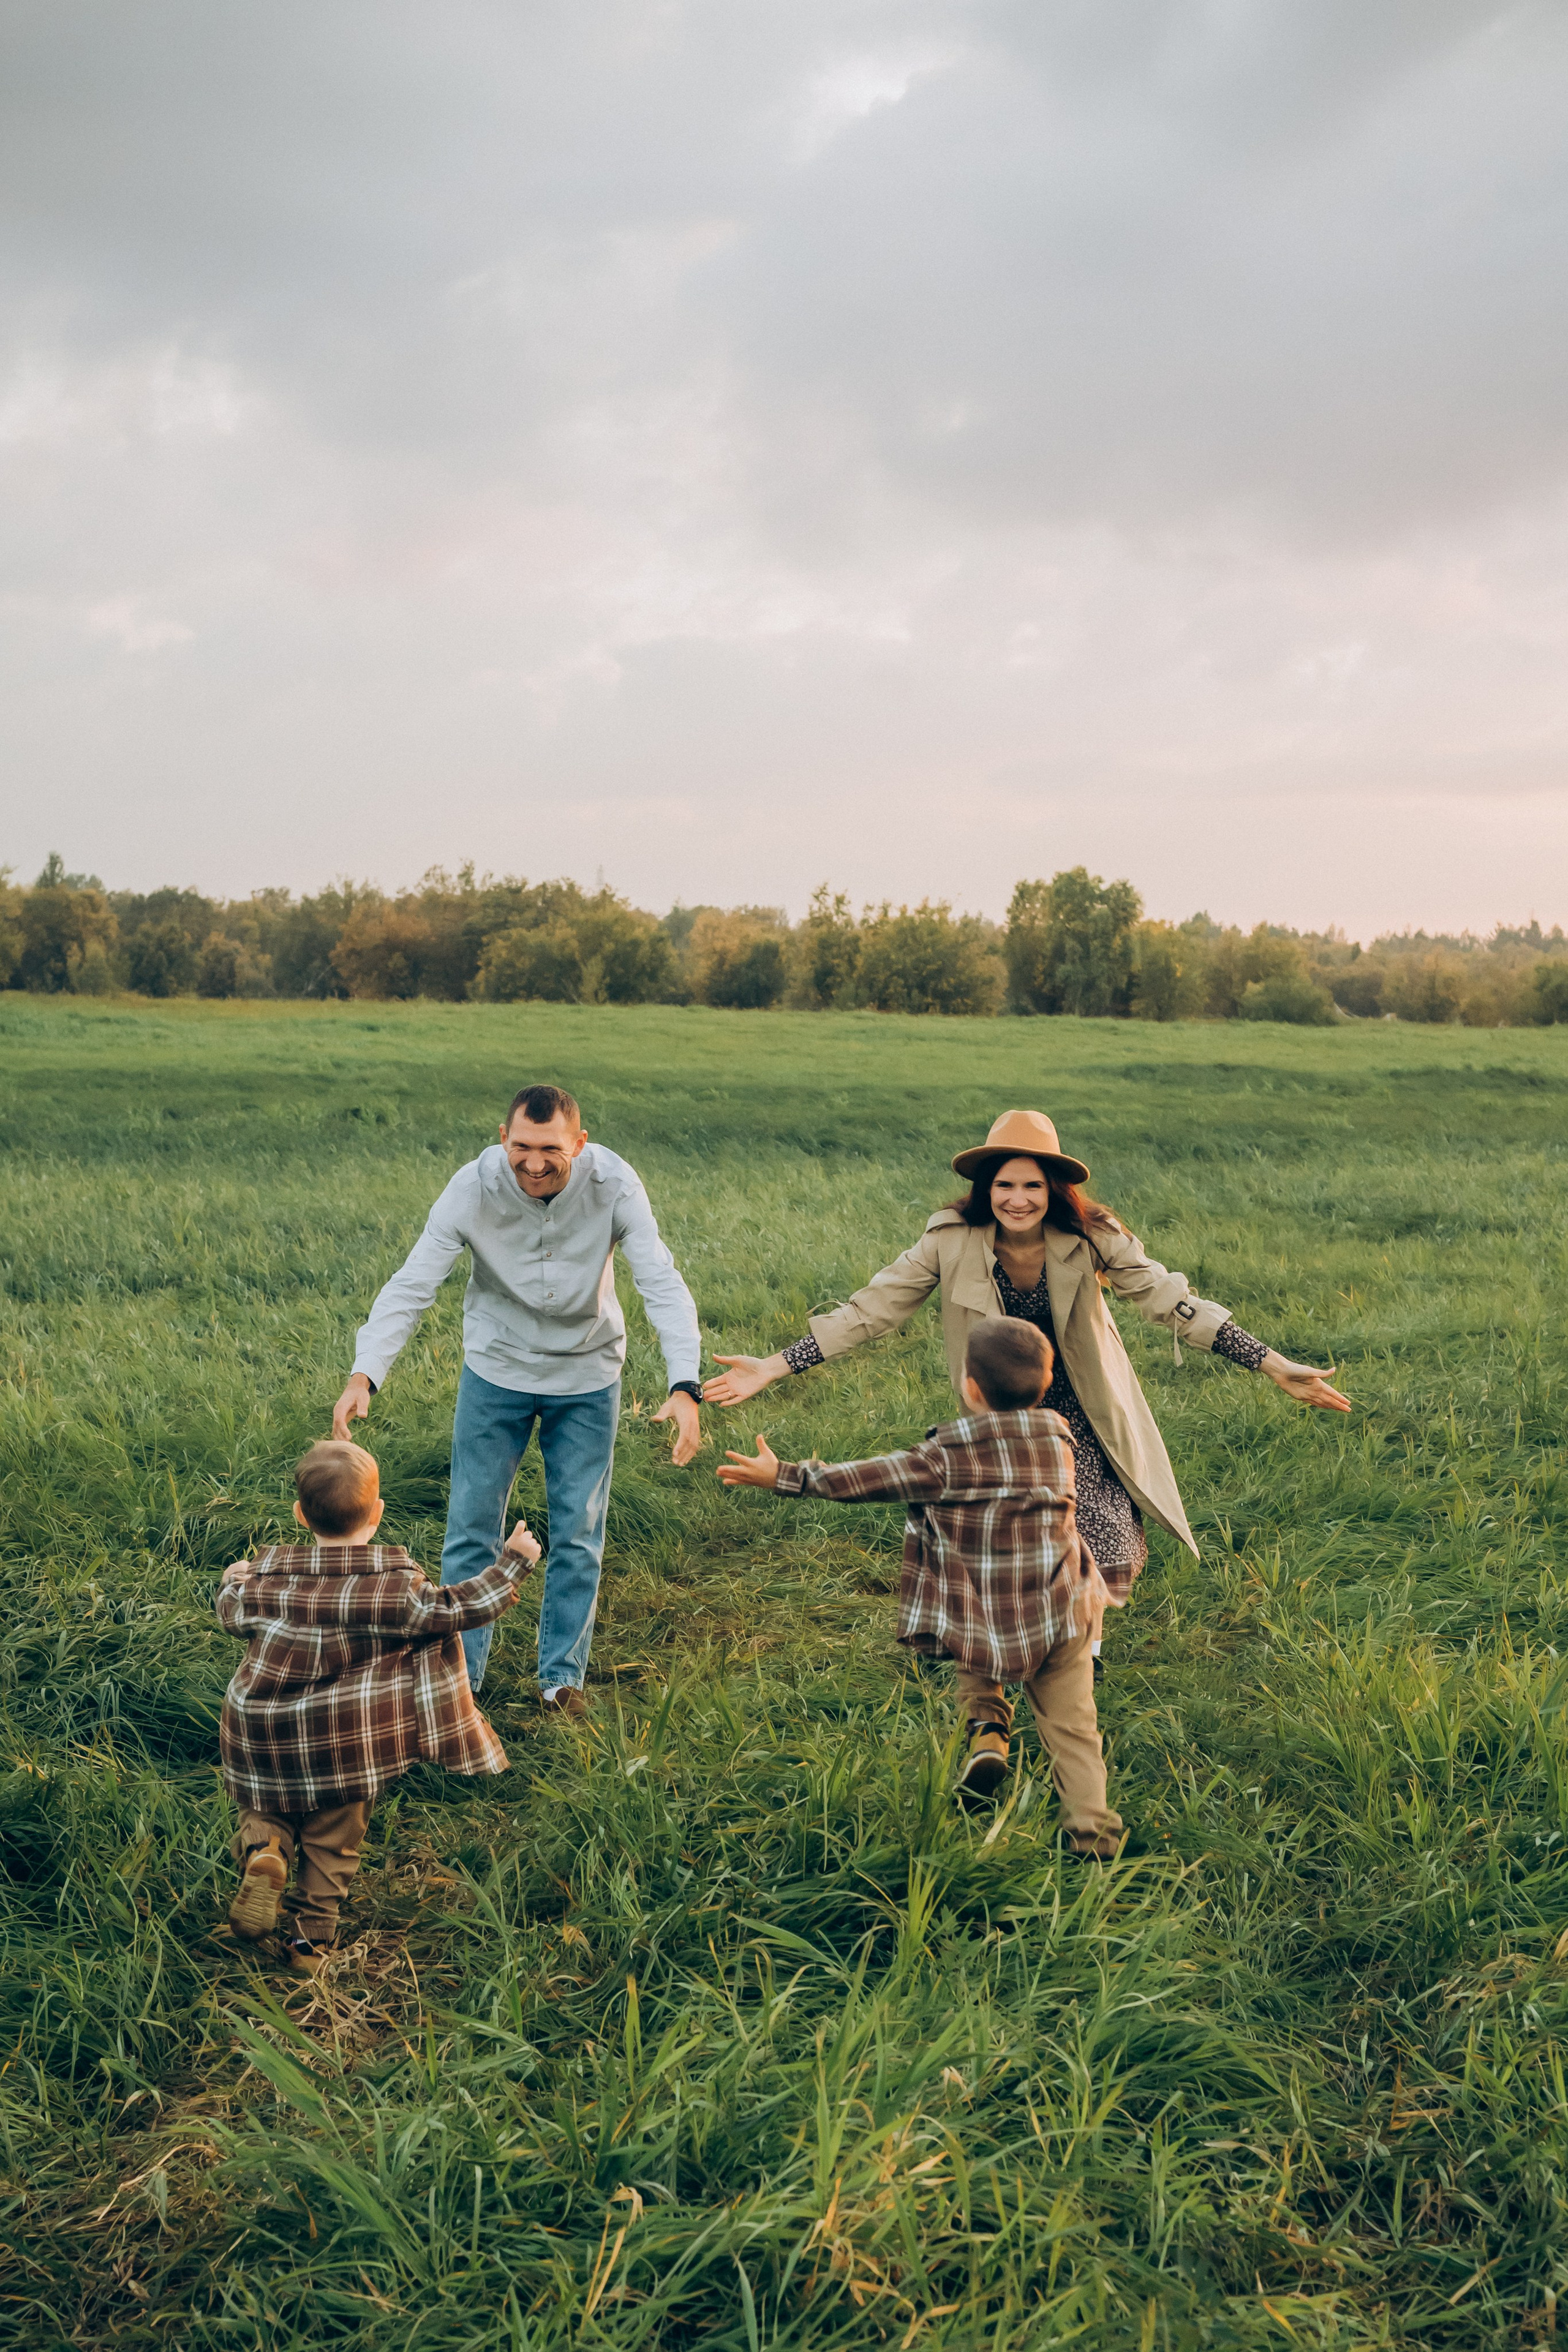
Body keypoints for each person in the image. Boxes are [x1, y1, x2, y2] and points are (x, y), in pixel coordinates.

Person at [705, 1108, 1349, 1667]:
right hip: (1006, 1412)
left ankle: (1078, 1664)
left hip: (1085, 1409)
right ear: (986, 1188)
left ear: (1053, 1190)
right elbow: (869, 1312)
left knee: (1101, 1536)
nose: (1018, 1199)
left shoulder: (1093, 1238)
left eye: (1032, 1186)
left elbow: (1170, 1301)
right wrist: (775, 1364)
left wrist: (1269, 1363)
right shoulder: (947, 1242)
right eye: (1005, 1185)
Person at [332, 1082, 703, 1715]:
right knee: (471, 1526)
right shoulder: (471, 1188)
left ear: (579, 1145)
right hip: (496, 1369)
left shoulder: (615, 1186)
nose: (534, 1163)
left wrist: (684, 1384)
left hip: (588, 1375)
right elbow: (414, 1282)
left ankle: (561, 1679)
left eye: (550, 1149)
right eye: (522, 1147)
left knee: (579, 1528)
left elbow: (660, 1281)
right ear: (503, 1138)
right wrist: (365, 1373)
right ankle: (460, 1678)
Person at [720, 1318, 1118, 1842]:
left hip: (983, 1610)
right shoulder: (1058, 1441)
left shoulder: (947, 1458)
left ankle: (988, 1734)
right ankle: (1093, 1837)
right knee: (1073, 1730)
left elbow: (869, 1478)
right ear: (1045, 1386)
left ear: (969, 1386)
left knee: (976, 1659)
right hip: (1066, 1606)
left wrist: (784, 1475)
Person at [219, 1438, 540, 1975]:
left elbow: (229, 1613)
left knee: (263, 1805)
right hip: (347, 1745)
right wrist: (514, 1563)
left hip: (262, 1732)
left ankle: (266, 1852)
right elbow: (461, 1607)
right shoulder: (397, 1591)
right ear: (379, 1512)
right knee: (332, 1842)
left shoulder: (263, 1580)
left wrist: (232, 1577)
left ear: (300, 1515)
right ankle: (305, 1943)